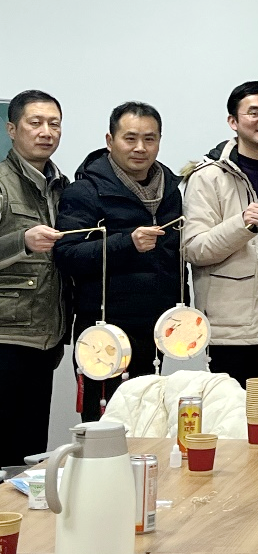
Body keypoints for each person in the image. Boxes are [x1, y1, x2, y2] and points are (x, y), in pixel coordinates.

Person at [55, 101, 182, 419]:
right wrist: (127, 243)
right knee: (103, 427)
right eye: (130, 138)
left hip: (156, 329)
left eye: (149, 139)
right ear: (110, 141)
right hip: (104, 331)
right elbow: (66, 255)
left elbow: (177, 257)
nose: (140, 148)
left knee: (150, 423)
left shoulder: (171, 190)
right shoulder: (84, 192)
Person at [183, 81, 258, 390]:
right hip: (232, 326)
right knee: (231, 414)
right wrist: (241, 224)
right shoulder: (209, 175)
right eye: (254, 112)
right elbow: (194, 250)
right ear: (233, 121)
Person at [0, 91, 69, 465]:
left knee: (28, 456)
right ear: (12, 129)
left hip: (45, 338)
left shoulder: (62, 185)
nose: (46, 132)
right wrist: (22, 242)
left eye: (54, 123)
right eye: (35, 122)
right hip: (6, 336)